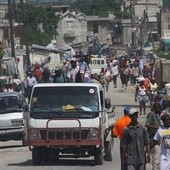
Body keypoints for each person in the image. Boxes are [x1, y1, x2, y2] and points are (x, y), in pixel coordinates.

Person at [113, 106, 131, 170]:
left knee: (123, 161)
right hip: (132, 143)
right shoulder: (133, 121)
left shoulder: (119, 122)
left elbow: (115, 134)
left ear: (124, 112)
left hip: (123, 143)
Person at [145, 102, 162, 170]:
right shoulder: (151, 114)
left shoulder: (156, 115)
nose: (160, 110)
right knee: (156, 160)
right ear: (156, 108)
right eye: (159, 109)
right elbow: (147, 124)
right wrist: (156, 127)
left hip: (155, 140)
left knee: (155, 159)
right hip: (152, 140)